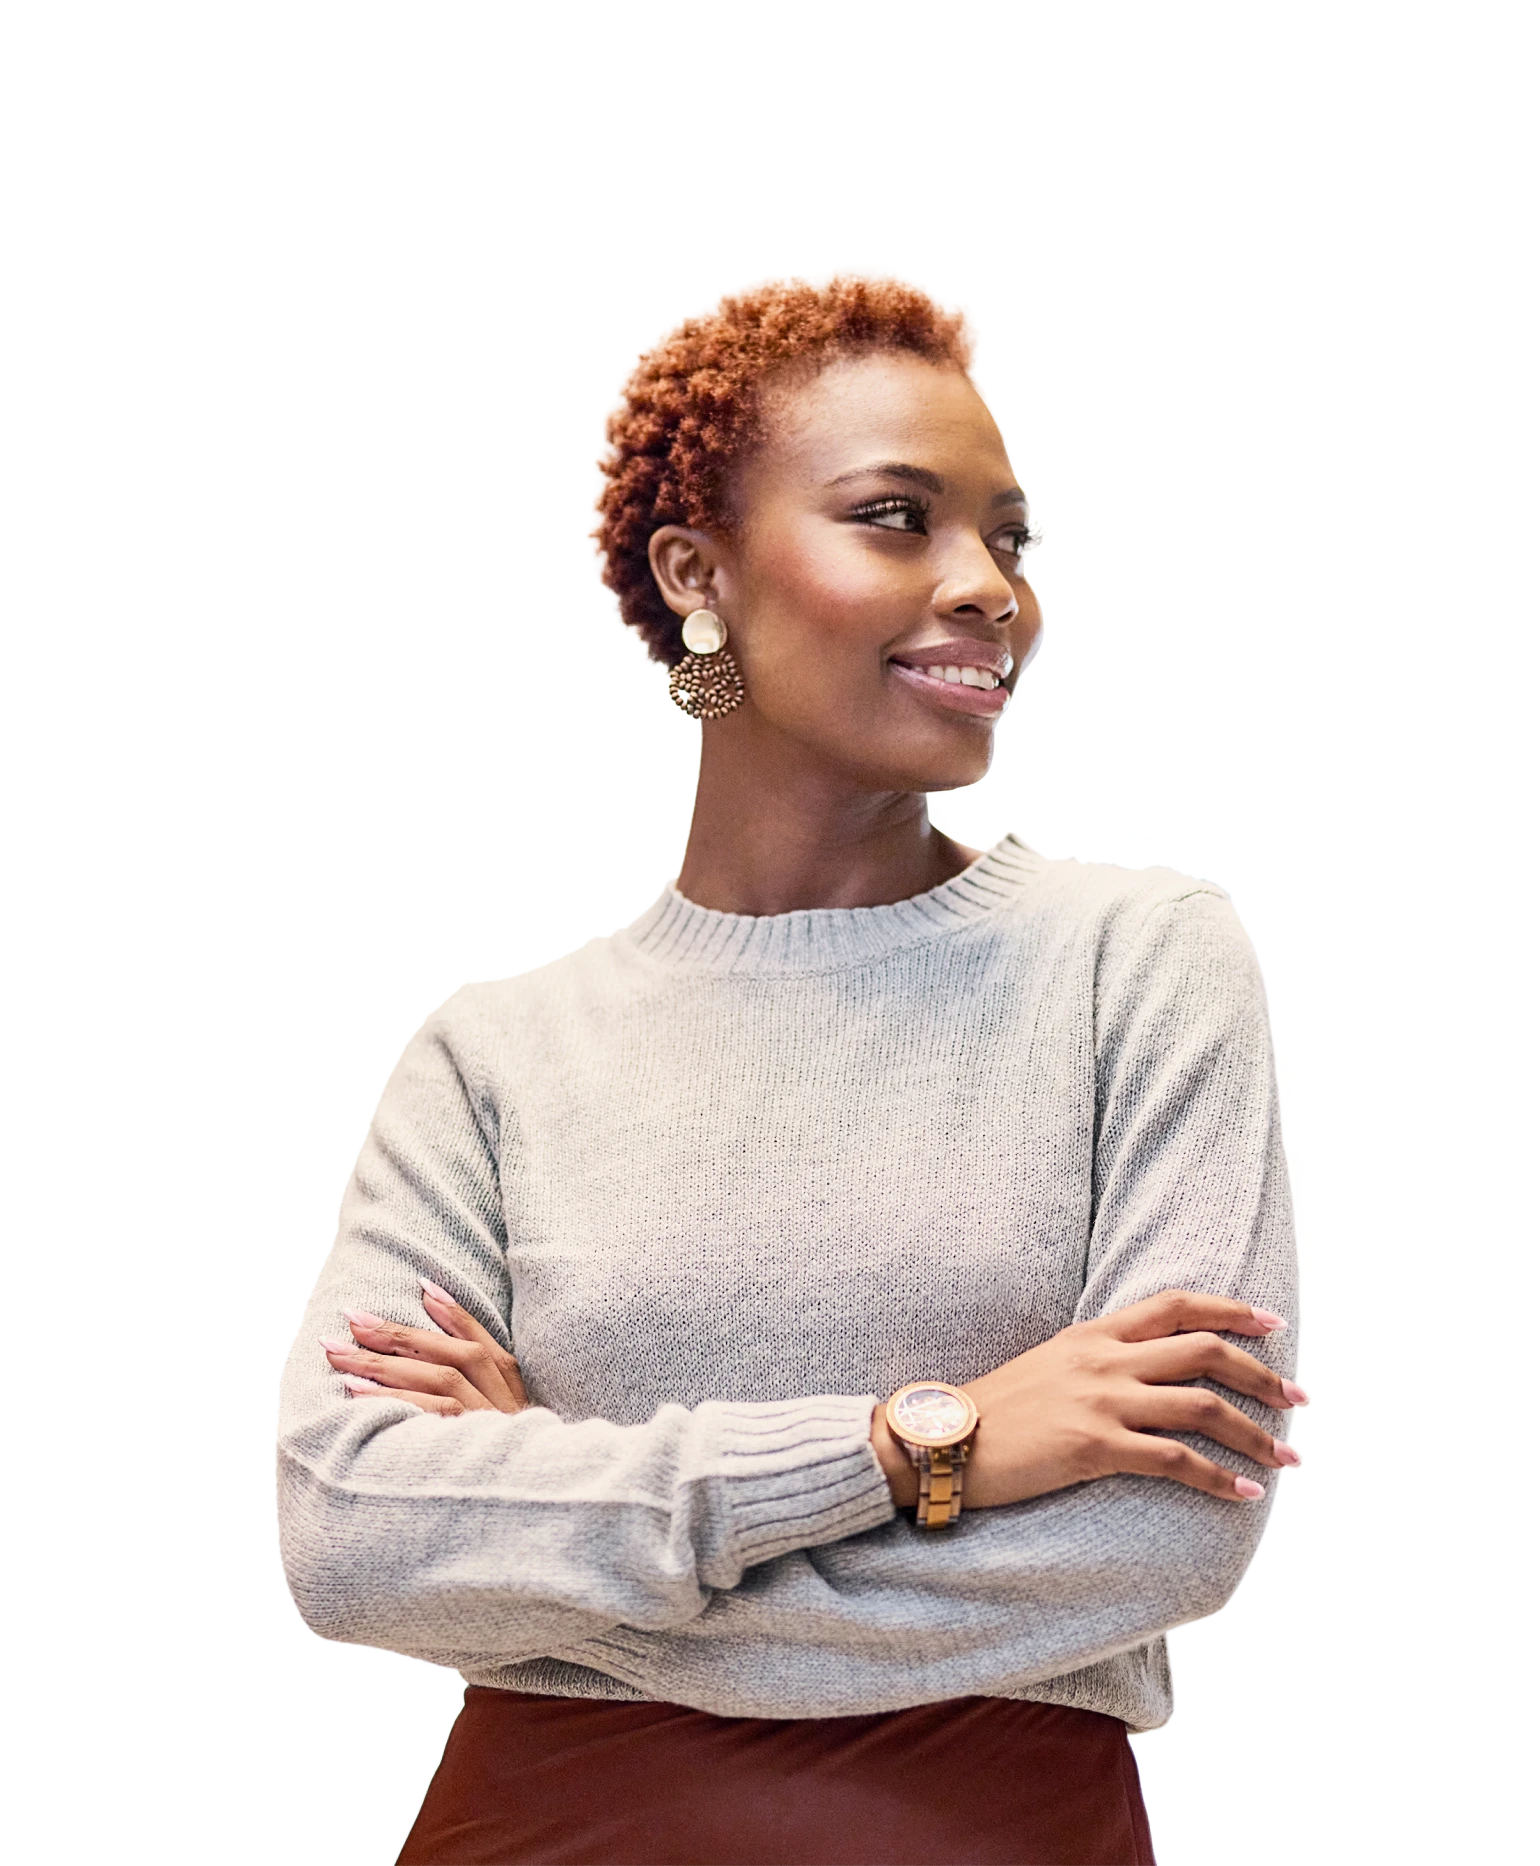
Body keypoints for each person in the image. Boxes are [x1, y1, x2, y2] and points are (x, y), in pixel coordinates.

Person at [273, 266, 1306, 1865]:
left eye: (1014, 543)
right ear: (699, 572)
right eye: (896, 518)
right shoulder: (493, 1055)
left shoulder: (1141, 966)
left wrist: (553, 1524)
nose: (989, 588)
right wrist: (930, 1441)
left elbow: (1161, 1531)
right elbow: (351, 1533)